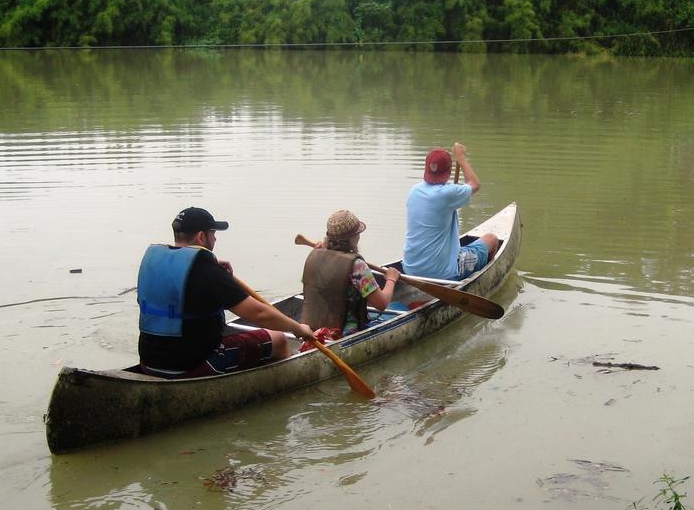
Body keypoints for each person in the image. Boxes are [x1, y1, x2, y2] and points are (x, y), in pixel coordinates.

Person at [137, 206, 316, 377]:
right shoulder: (209, 272)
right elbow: (259, 314)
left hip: (149, 362)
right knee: (279, 340)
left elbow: (186, 286)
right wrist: (298, 328)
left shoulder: (154, 264)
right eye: (213, 234)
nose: (215, 239)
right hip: (193, 365)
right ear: (201, 237)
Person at [301, 209, 401, 341]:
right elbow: (381, 304)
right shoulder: (357, 266)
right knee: (399, 307)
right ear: (354, 237)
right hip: (343, 333)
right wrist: (391, 279)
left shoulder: (314, 255)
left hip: (311, 328)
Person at [403, 143, 499, 281]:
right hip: (443, 273)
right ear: (448, 173)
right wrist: (461, 158)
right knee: (492, 239)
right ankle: (488, 280)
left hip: (410, 268)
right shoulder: (448, 194)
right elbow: (474, 184)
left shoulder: (415, 190)